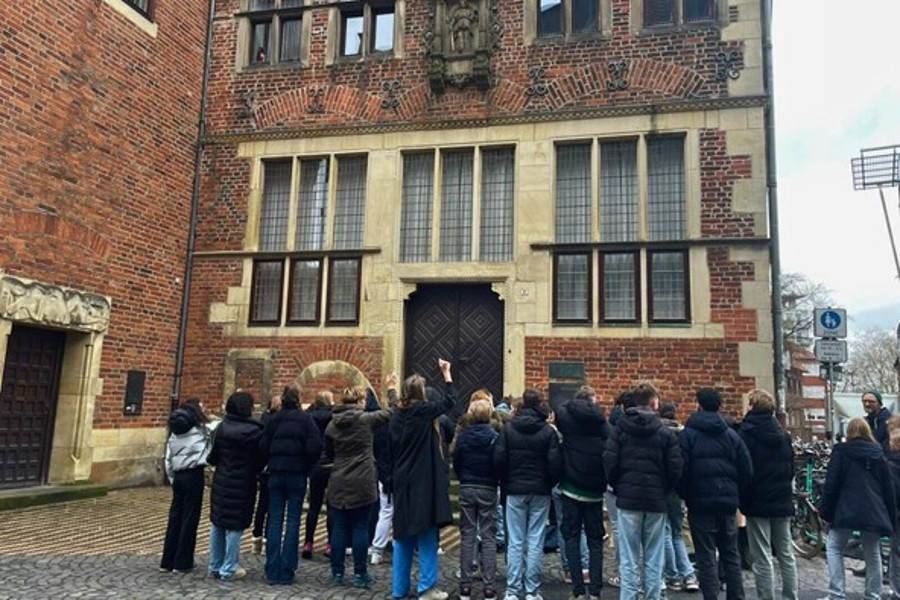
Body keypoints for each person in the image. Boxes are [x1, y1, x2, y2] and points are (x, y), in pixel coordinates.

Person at [603, 382, 682, 600]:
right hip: (656, 500)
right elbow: (675, 467)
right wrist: (664, 489)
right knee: (654, 556)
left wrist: (619, 486)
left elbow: (610, 462)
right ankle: (653, 596)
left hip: (628, 499)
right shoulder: (664, 432)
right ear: (654, 403)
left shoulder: (620, 430)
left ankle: (628, 596)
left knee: (629, 556)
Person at [389, 359, 457, 600]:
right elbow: (449, 402)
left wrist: (391, 388)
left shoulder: (397, 415)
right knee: (427, 533)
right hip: (422, 480)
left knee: (402, 535)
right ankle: (427, 588)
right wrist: (447, 374)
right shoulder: (422, 412)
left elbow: (392, 403)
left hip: (401, 479)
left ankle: (398, 589)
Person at [678, 388, 753, 600]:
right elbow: (747, 469)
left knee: (706, 555)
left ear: (698, 405)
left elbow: (681, 470)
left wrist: (687, 494)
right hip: (727, 503)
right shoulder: (731, 436)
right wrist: (736, 494)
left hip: (700, 504)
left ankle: (711, 596)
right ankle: (736, 596)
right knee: (731, 554)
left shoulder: (688, 436)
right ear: (719, 408)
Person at [494, 387, 563, 600]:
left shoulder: (509, 429)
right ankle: (532, 591)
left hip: (514, 489)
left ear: (523, 402)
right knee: (535, 540)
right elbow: (555, 464)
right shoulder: (548, 431)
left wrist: (504, 480)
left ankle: (513, 590)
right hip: (540, 490)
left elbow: (499, 460)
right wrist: (548, 483)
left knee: (515, 540)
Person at [820, 417, 896, 600]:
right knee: (872, 551)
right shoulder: (879, 455)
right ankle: (873, 594)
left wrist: (826, 512)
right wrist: (890, 517)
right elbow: (888, 488)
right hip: (872, 509)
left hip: (845, 508)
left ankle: (837, 593)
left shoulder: (841, 452)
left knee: (834, 547)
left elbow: (831, 484)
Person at [324, 385, 392, 588]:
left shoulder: (331, 425)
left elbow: (329, 453)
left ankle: (337, 573)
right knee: (360, 527)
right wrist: (390, 390)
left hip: (338, 479)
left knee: (339, 527)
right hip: (363, 479)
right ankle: (360, 573)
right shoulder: (366, 420)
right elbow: (391, 412)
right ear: (359, 401)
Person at [258, 383, 322, 585]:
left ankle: (271, 569)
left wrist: (270, 461)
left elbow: (263, 446)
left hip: (276, 473)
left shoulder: (274, 419)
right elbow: (315, 447)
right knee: (293, 521)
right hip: (296, 474)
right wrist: (305, 464)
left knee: (275, 520)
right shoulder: (306, 420)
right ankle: (287, 569)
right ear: (299, 398)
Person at [552, 385, 611, 600]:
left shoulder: (567, 421)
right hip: (594, 490)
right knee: (596, 541)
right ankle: (595, 591)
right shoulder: (601, 423)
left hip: (571, 487)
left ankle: (578, 591)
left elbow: (559, 410)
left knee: (571, 538)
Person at [738, 389, 797, 600]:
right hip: (781, 499)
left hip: (757, 500)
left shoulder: (745, 434)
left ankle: (766, 597)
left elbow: (744, 469)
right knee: (786, 553)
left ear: (752, 406)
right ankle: (791, 596)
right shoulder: (784, 436)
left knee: (761, 555)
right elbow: (791, 468)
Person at [206, 390, 265, 581]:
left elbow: (213, 457)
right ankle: (229, 567)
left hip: (222, 480)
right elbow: (260, 460)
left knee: (217, 522)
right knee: (235, 527)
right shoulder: (255, 431)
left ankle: (215, 564)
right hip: (243, 482)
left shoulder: (222, 428)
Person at [452, 392, 501, 600]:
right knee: (489, 536)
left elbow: (457, 459)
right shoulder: (494, 437)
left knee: (468, 535)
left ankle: (465, 586)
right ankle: (489, 586)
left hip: (468, 487)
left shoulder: (464, 435)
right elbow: (499, 462)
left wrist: (463, 477)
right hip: (488, 487)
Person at [160, 398, 212, 573]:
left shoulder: (175, 431)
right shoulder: (200, 430)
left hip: (178, 475)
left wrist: (173, 478)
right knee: (190, 518)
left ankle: (167, 560)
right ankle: (183, 561)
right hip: (193, 474)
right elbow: (210, 448)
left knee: (175, 517)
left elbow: (167, 458)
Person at [657, 401, 699, 593]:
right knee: (677, 533)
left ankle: (673, 575)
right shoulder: (684, 434)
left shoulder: (656, 432)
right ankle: (689, 575)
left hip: (661, 488)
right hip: (678, 489)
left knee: (665, 532)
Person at [302, 389, 334, 560]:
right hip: (331, 464)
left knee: (313, 506)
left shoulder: (310, 417)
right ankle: (330, 545)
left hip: (315, 465)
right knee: (331, 507)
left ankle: (308, 543)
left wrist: (314, 405)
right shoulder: (334, 416)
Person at [369, 378, 396, 565]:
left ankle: (377, 549)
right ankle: (401, 546)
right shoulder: (402, 426)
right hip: (399, 473)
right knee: (397, 511)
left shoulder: (377, 426)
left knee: (385, 511)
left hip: (382, 472)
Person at [251, 394, 281, 555]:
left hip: (263, 469)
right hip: (274, 468)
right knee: (273, 505)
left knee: (262, 504)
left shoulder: (262, 420)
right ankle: (268, 539)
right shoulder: (278, 423)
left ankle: (256, 537)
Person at [885, 415, 900, 599]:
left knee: (896, 552)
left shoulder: (890, 464)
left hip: (897, 513)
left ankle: (897, 591)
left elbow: (891, 492)